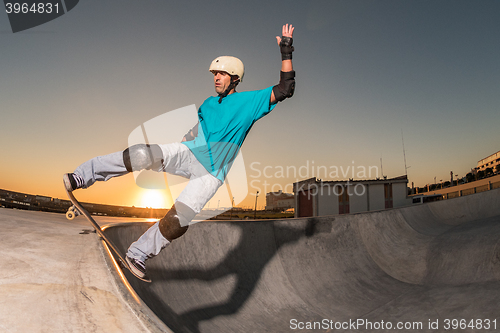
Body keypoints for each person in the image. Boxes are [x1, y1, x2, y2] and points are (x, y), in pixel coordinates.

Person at [63, 24, 296, 280]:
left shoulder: (250, 102)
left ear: (235, 78)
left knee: (178, 221)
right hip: (189, 153)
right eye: (214, 74)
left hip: (210, 174)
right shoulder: (208, 103)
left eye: (222, 74)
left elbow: (285, 89)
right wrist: (190, 135)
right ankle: (82, 176)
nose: (216, 78)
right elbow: (201, 125)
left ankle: (138, 254)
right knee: (141, 153)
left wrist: (286, 50)